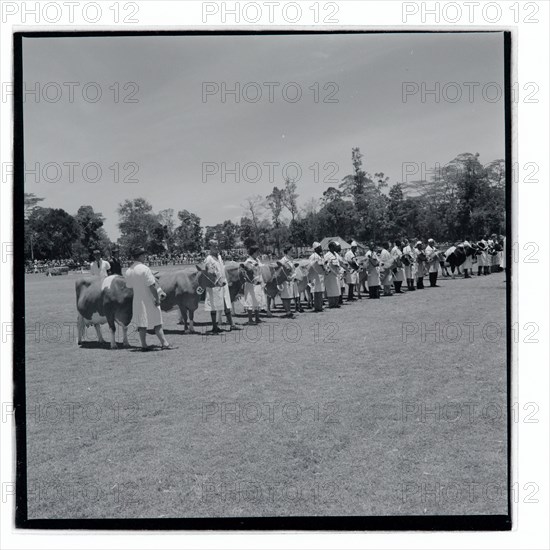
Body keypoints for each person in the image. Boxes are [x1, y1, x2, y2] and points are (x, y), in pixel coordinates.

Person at [124, 247, 172, 350]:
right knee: (157, 322)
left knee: (142, 324)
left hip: (137, 300)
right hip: (149, 299)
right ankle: (165, 343)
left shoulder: (128, 270)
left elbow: (129, 287)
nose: (145, 257)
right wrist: (157, 299)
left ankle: (144, 345)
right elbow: (152, 286)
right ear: (140, 256)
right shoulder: (145, 269)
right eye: (143, 255)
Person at [204, 241, 237, 333]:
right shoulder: (208, 259)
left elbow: (223, 269)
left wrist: (226, 279)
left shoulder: (219, 257)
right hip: (214, 284)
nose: (216, 247)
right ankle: (215, 326)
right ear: (210, 246)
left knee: (226, 303)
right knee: (214, 305)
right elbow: (208, 272)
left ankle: (232, 324)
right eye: (214, 246)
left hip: (223, 282)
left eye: (217, 245)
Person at [242, 245, 263, 325]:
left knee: (257, 299)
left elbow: (261, 268)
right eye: (257, 252)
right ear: (253, 252)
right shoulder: (248, 261)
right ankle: (250, 319)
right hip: (250, 283)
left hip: (258, 282)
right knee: (250, 300)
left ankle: (257, 318)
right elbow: (248, 272)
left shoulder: (257, 260)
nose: (258, 253)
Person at [279, 245, 298, 319]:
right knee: (285, 296)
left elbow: (293, 269)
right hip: (285, 280)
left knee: (289, 296)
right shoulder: (283, 260)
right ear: (287, 251)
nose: (293, 251)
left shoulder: (291, 259)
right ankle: (287, 312)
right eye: (291, 250)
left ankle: (289, 311)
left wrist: (294, 276)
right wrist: (286, 277)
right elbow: (281, 270)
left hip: (291, 279)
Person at [308, 242, 325, 312]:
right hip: (315, 276)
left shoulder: (320, 256)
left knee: (320, 291)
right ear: (316, 249)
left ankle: (320, 305)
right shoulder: (313, 256)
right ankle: (317, 306)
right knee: (316, 291)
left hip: (320, 276)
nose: (321, 249)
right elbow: (311, 265)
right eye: (319, 247)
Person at [324, 241, 341, 308]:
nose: (335, 248)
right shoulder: (327, 255)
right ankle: (331, 304)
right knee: (331, 289)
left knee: (337, 289)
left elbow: (340, 262)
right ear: (330, 247)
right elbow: (326, 265)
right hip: (330, 276)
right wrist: (330, 271)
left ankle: (336, 303)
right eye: (334, 247)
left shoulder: (336, 254)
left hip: (336, 274)